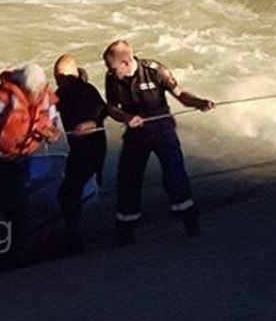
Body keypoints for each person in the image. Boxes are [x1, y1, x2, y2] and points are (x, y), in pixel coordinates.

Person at [102, 40, 214, 246]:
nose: (109, 71)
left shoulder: (155, 70)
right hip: (136, 132)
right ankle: (125, 230)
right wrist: (126, 117)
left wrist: (199, 103)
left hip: (162, 129)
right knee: (128, 179)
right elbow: (111, 108)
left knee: (175, 175)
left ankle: (189, 220)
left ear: (125, 62)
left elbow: (181, 95)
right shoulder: (112, 78)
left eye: (112, 67)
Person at [0, 64, 60, 263]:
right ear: (23, 88)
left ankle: (15, 254)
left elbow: (54, 126)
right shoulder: (4, 97)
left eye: (38, 91)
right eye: (31, 92)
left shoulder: (47, 99)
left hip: (21, 160)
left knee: (18, 205)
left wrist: (51, 135)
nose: (35, 95)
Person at [53, 53, 108, 254]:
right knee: (68, 193)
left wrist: (90, 123)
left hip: (91, 149)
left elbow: (102, 111)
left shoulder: (86, 90)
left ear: (72, 75)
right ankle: (73, 234)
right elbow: (50, 109)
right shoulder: (62, 92)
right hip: (78, 150)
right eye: (56, 77)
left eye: (60, 76)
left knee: (68, 194)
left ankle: (74, 241)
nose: (58, 80)